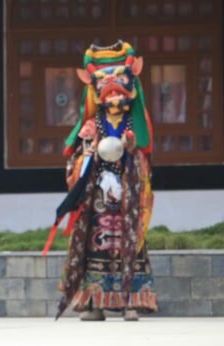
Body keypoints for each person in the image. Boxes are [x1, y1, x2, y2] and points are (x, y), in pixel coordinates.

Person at [53, 41, 158, 321]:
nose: (113, 97)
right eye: (107, 90)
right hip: (99, 198)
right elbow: (77, 158)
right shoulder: (92, 124)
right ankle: (95, 303)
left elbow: (143, 156)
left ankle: (130, 303)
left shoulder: (134, 123)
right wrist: (87, 154)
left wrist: (131, 150)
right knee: (95, 247)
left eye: (119, 89)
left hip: (126, 195)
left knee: (129, 244)